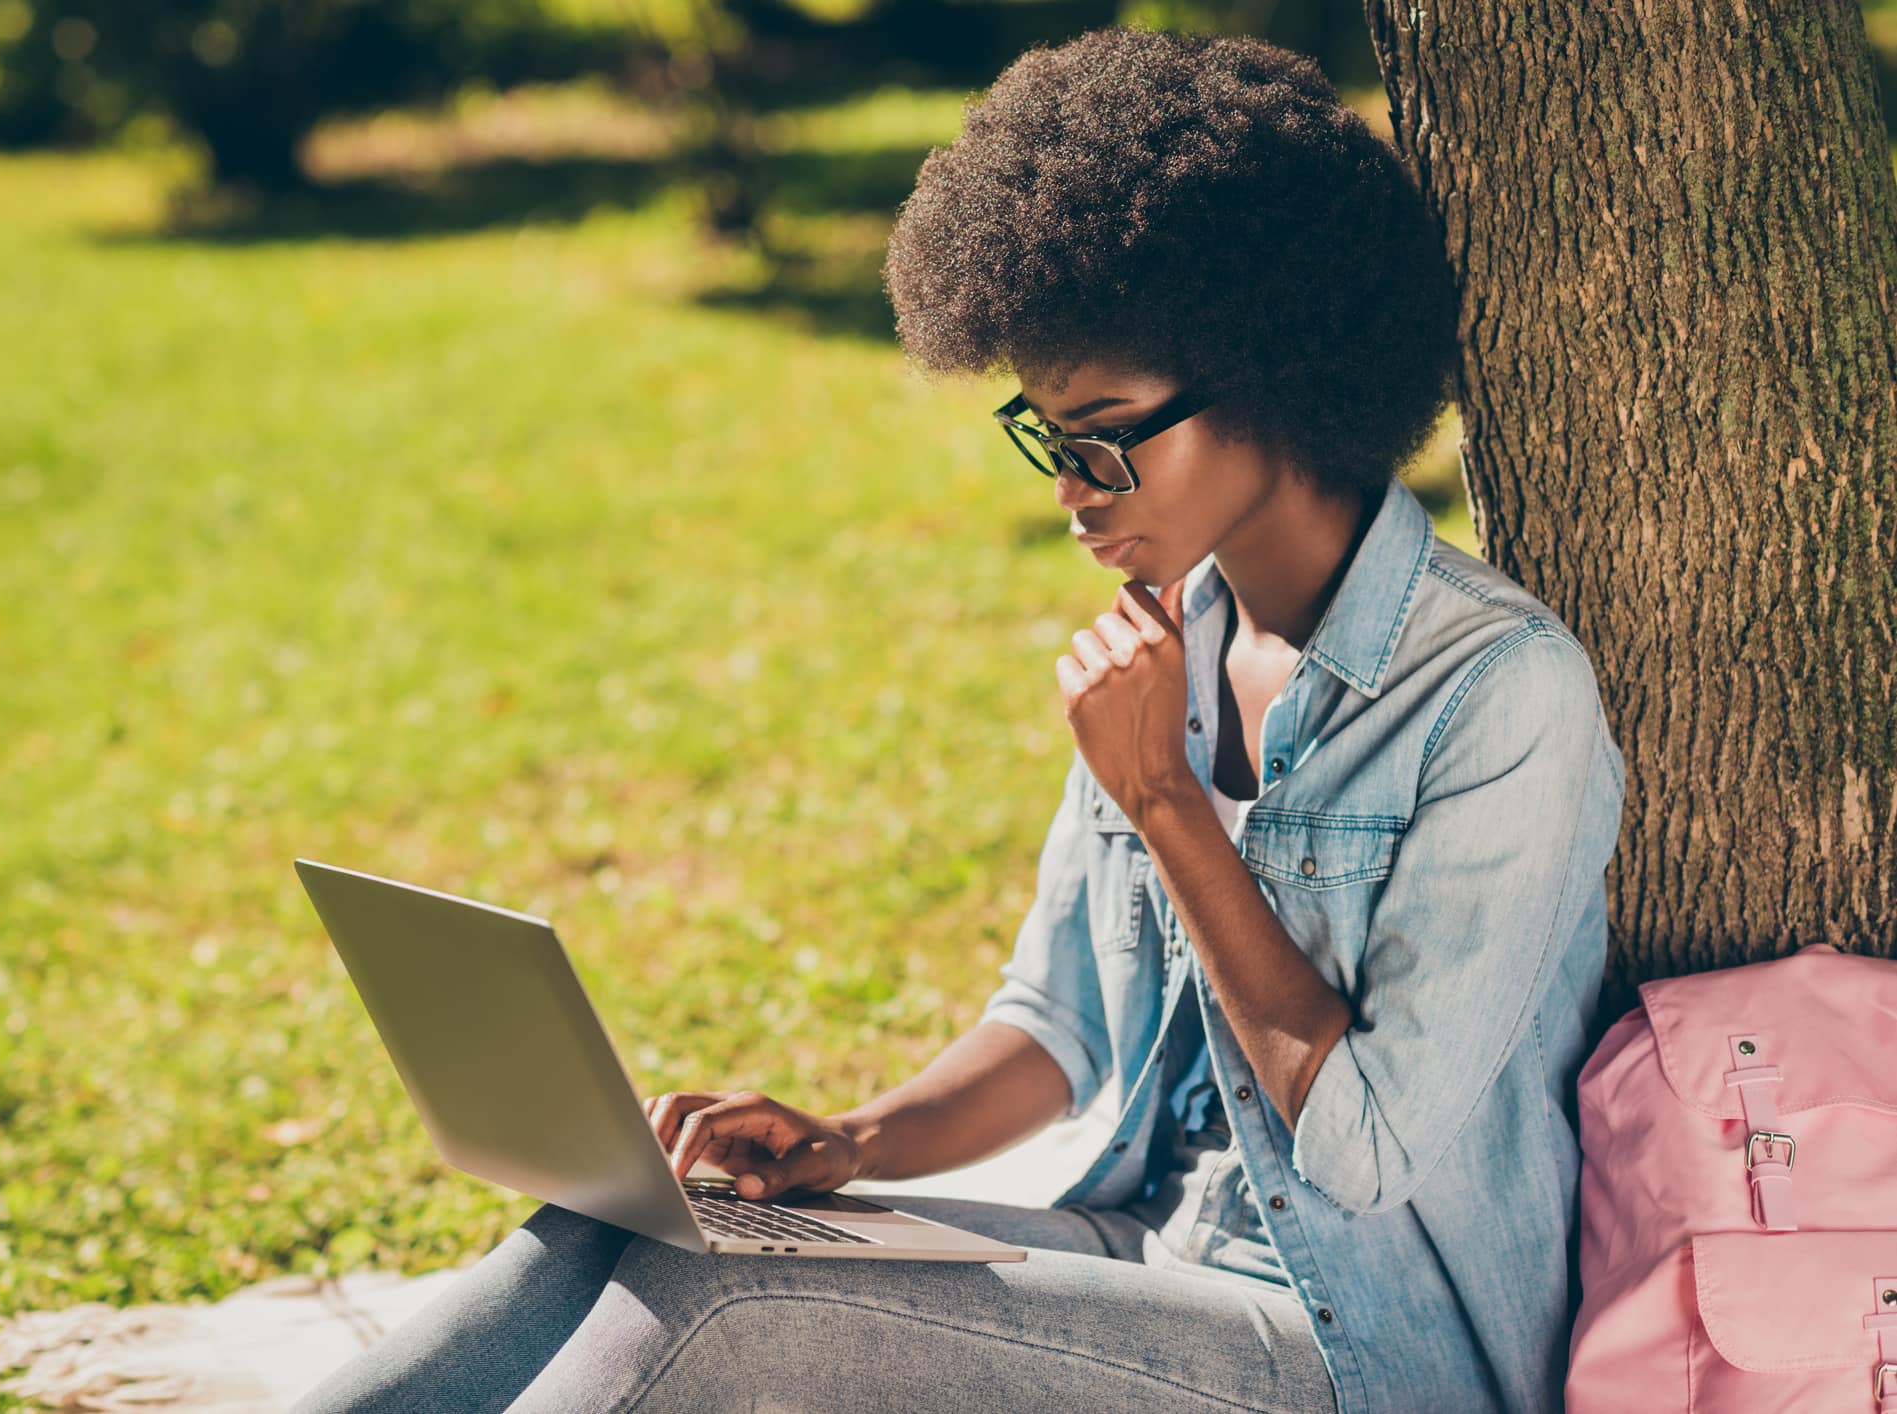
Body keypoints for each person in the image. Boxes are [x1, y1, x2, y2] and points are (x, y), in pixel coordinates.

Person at [297, 25, 1625, 1414]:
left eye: (1104, 435)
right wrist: (847, 1141)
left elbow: (1360, 1148)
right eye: (1048, 439)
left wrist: (1166, 801)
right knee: (640, 1226)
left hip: (1370, 1351)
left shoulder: (1496, 694)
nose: (1070, 490)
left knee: (736, 1305)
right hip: (1145, 1259)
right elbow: (1054, 1026)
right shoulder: (1171, 646)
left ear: (1277, 374)